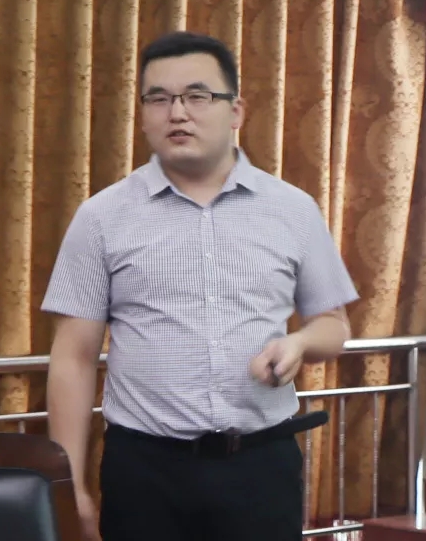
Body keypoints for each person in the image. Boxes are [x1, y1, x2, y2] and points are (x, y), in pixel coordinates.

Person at [41, 30, 360, 541]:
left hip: (261, 466)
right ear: (143, 114)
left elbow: (334, 325)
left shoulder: (293, 210)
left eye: (197, 96)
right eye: (158, 99)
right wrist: (70, 484)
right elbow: (73, 357)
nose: (177, 113)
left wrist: (300, 343)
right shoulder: (102, 216)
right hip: (145, 472)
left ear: (236, 111)